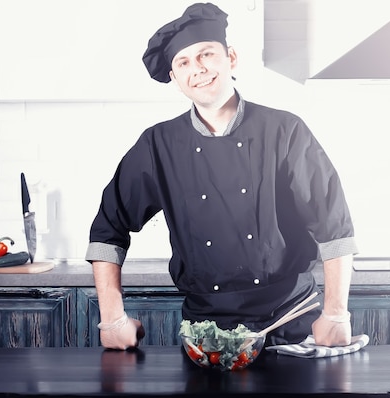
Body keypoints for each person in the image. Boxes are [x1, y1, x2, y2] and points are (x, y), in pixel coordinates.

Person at [85, 2, 358, 351]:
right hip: (206, 336)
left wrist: (336, 314)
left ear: (231, 57)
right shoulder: (158, 145)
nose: (197, 69)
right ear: (175, 78)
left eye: (206, 55)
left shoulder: (285, 130)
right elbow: (108, 231)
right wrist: (112, 319)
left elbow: (334, 226)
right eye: (183, 62)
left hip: (290, 324)